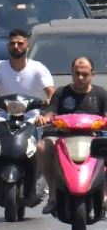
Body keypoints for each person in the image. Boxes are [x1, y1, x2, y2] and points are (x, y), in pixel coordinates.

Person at [37, 56, 107, 213]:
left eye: (85, 74)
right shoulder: (62, 92)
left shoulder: (100, 93)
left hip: (93, 137)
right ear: (72, 73)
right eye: (77, 73)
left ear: (92, 74)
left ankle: (104, 196)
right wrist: (44, 119)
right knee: (42, 147)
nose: (80, 77)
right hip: (63, 137)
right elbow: (50, 113)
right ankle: (53, 195)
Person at [0, 29, 54, 110]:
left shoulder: (38, 67)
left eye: (20, 43)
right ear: (8, 46)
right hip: (4, 115)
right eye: (12, 43)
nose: (16, 46)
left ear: (28, 46)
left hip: (32, 117)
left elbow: (50, 90)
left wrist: (50, 100)